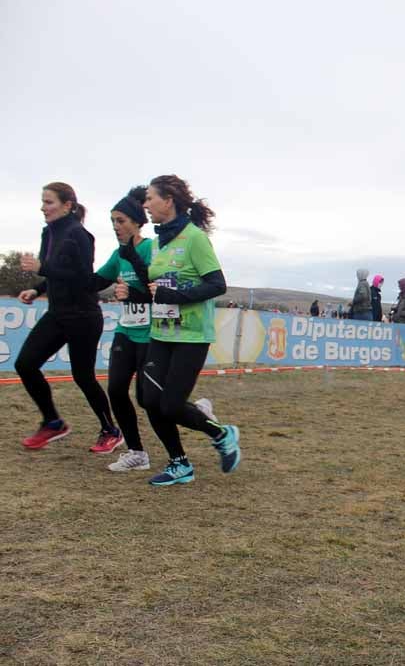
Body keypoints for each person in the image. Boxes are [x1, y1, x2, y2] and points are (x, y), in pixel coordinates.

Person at [140, 174, 240, 486]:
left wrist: (174, 295)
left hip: (191, 336)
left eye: (150, 198)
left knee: (170, 405)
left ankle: (222, 434)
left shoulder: (195, 238)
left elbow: (217, 285)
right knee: (148, 399)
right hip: (161, 332)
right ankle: (179, 463)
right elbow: (158, 286)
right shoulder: (157, 242)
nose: (145, 204)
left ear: (167, 201)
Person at [15, 182, 123, 451]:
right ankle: (53, 422)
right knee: (25, 364)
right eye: (42, 202)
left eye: (49, 202)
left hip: (84, 316)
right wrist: (36, 288)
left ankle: (111, 430)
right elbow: (56, 273)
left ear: (67, 205)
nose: (43, 207)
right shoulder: (48, 233)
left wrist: (43, 268)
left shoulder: (80, 235)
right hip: (58, 314)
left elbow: (84, 279)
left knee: (83, 376)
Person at [89, 186, 157, 467]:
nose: (116, 227)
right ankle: (137, 451)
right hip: (126, 330)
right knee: (116, 390)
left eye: (121, 221)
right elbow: (94, 281)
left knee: (147, 398)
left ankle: (194, 411)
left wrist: (132, 288)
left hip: (152, 333)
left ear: (137, 222)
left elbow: (157, 290)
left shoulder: (152, 248)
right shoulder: (118, 254)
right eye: (113, 221)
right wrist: (50, 274)